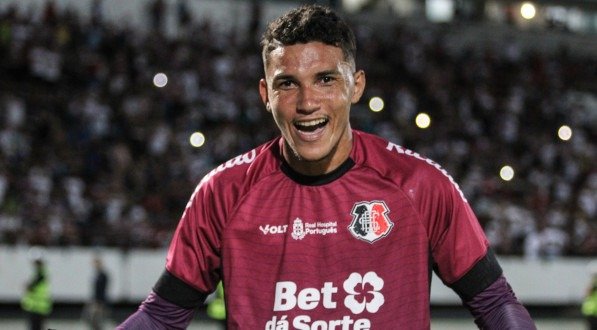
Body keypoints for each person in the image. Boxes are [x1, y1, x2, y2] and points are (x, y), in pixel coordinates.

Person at [118, 4, 536, 329]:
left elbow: (494, 302)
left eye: (325, 79)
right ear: (265, 93)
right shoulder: (223, 193)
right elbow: (161, 317)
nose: (306, 103)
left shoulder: (418, 186)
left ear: (357, 86)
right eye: (287, 84)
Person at [21, 258, 52, 330]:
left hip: (36, 307)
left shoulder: (40, 275)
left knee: (35, 327)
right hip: (39, 307)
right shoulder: (41, 274)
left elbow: (30, 287)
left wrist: (26, 286)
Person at [83, 256, 110, 330]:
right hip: (95, 300)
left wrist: (100, 303)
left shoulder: (103, 275)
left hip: (99, 302)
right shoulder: (97, 275)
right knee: (90, 319)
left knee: (96, 320)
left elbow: (102, 290)